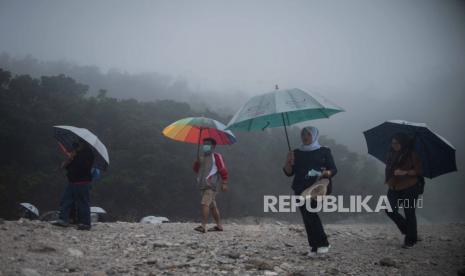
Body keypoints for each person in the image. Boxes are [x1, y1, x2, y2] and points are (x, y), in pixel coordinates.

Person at [283, 126, 337, 256]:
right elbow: (289, 173)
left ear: (314, 135)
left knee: (311, 213)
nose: (305, 137)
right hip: (299, 188)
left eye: (308, 134)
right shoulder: (296, 152)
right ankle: (314, 246)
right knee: (306, 217)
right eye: (303, 135)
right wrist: (288, 161)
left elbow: (334, 169)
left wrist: (326, 172)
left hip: (316, 187)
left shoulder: (324, 151)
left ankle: (323, 243)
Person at [384, 132, 422, 248]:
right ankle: (408, 230)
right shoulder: (391, 154)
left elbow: (419, 171)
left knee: (409, 212)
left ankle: (410, 240)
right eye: (392, 143)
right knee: (389, 210)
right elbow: (389, 168)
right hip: (394, 186)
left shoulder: (412, 155)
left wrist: (404, 172)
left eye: (396, 143)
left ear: (403, 143)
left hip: (410, 187)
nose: (394, 145)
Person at [52, 139, 95, 230]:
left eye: (79, 144)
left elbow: (84, 167)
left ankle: (85, 223)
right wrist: (69, 159)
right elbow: (67, 167)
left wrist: (75, 158)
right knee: (65, 200)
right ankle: (64, 219)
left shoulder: (88, 153)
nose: (77, 146)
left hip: (83, 182)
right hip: (72, 181)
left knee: (82, 202)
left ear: (83, 144)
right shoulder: (75, 153)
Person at [192, 138, 228, 233]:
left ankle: (203, 226)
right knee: (212, 206)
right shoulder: (202, 157)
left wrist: (224, 182)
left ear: (213, 146)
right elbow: (196, 170)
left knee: (205, 203)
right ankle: (219, 226)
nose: (205, 146)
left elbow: (222, 170)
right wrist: (197, 162)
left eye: (207, 144)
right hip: (202, 185)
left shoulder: (216, 156)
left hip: (211, 185)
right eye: (204, 144)